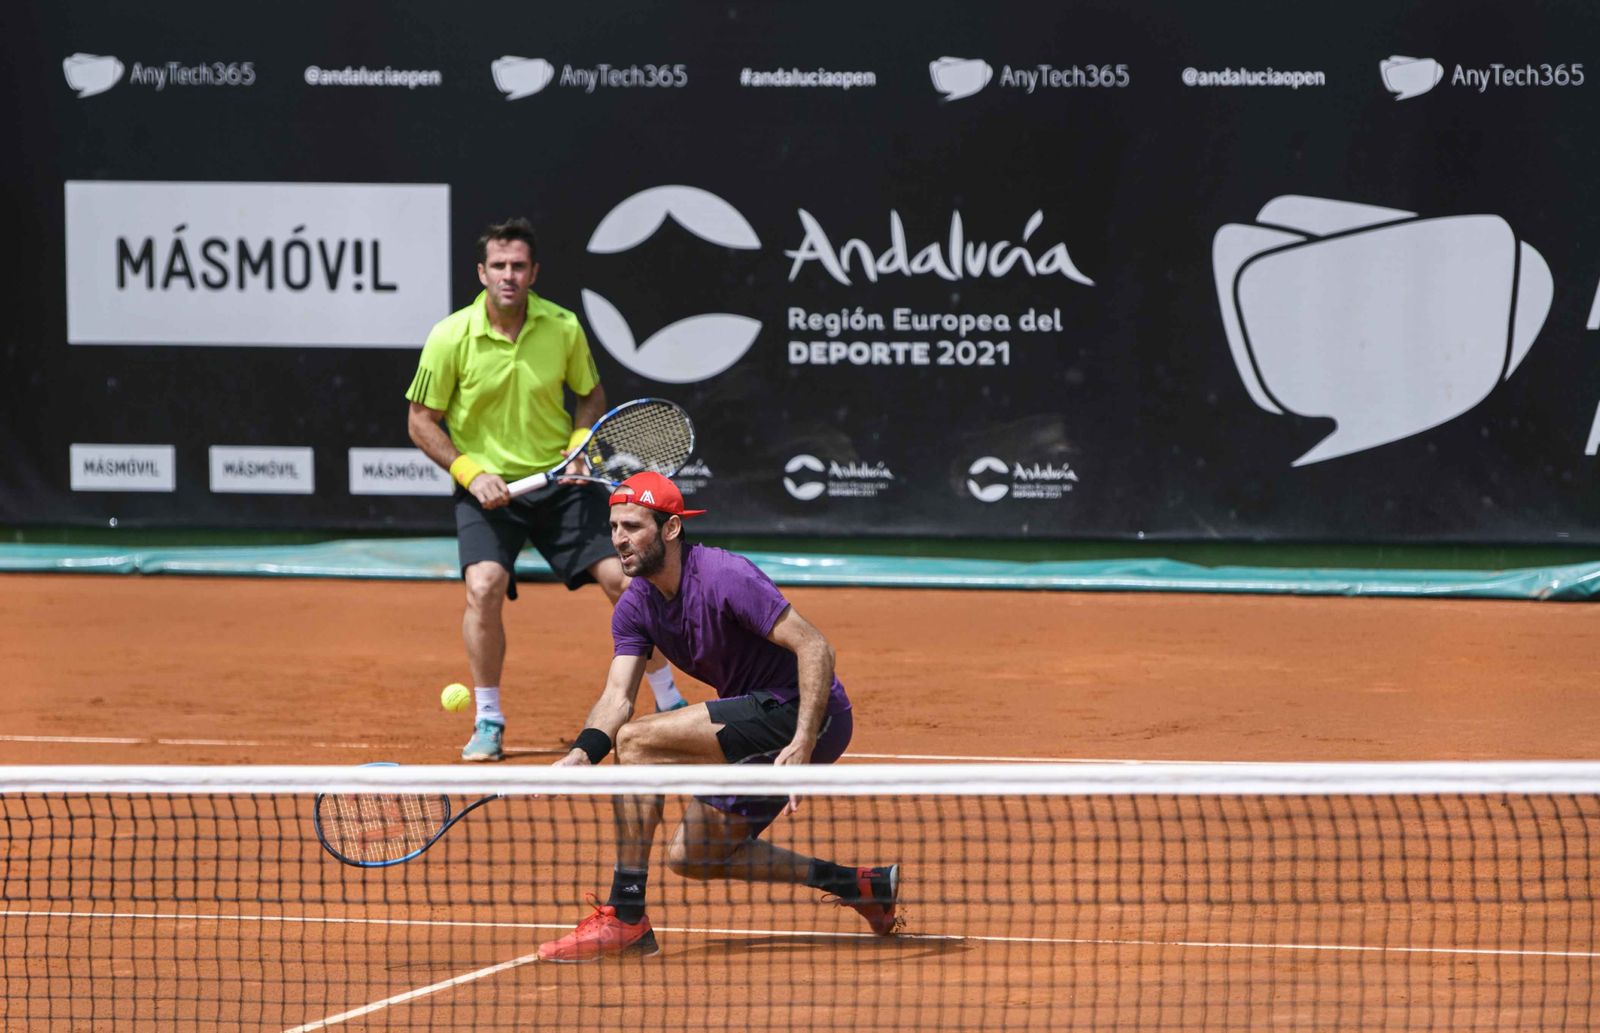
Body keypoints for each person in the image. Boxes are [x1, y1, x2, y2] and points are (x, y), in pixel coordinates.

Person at [536, 471, 899, 962]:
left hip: (808, 712)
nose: (619, 539)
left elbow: (816, 647)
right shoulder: (635, 604)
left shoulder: (725, 576)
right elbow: (617, 697)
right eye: (615, 527)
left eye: (633, 526)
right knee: (693, 856)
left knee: (637, 742)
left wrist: (802, 740)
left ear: (670, 529)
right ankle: (860, 885)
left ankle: (626, 914)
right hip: (753, 721)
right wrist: (583, 752)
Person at [405, 218, 685, 763]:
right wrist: (470, 473)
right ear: (482, 273)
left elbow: (590, 394)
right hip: (487, 488)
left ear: (533, 273)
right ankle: (489, 719)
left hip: (561, 485)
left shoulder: (563, 327)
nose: (508, 275)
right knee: (484, 585)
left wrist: (579, 445)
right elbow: (420, 420)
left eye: (518, 266)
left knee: (624, 581)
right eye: (499, 266)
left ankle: (669, 699)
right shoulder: (449, 336)